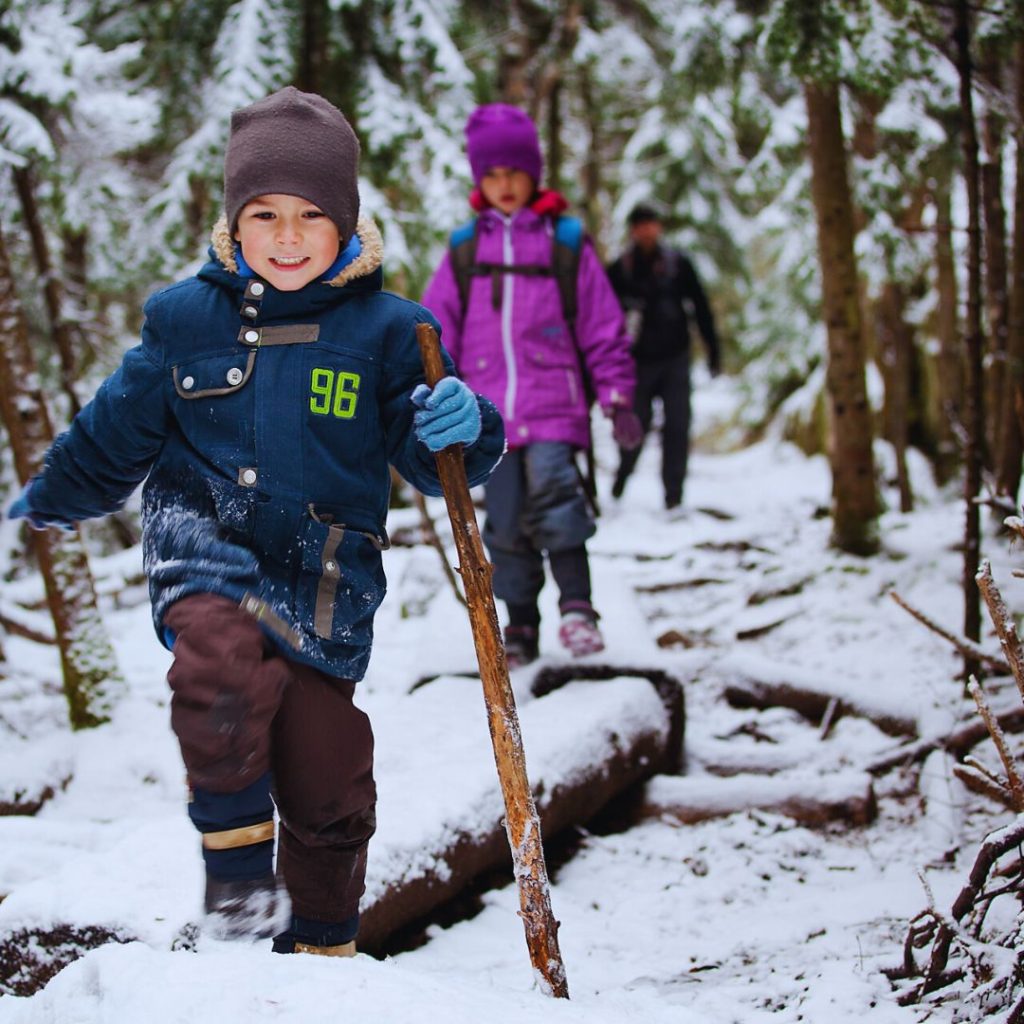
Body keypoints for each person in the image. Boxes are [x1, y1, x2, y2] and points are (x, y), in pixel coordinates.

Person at [6, 87, 505, 955]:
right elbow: (114, 432)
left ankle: (321, 945)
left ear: (347, 225)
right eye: (263, 213)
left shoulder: (391, 333)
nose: (285, 236)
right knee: (222, 667)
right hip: (206, 549)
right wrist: (50, 497)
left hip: (322, 584)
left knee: (329, 778)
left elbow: (434, 468)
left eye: (311, 216)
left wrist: (464, 428)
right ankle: (237, 877)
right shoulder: (183, 322)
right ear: (233, 223)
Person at [422, 103, 641, 669]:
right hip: (489, 417)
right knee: (507, 520)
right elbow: (432, 327)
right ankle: (520, 624)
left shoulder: (564, 242)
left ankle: (578, 608)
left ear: (534, 173)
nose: (505, 185)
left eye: (514, 173)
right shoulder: (467, 250)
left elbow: (601, 325)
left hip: (554, 406)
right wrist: (422, 390)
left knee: (558, 499)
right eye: (492, 175)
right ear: (479, 180)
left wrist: (617, 396)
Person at [607, 203, 722, 511]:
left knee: (677, 427)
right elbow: (604, 318)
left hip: (675, 358)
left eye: (652, 224)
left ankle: (674, 497)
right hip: (638, 363)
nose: (647, 230)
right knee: (635, 426)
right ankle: (621, 479)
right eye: (641, 225)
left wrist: (713, 350)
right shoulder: (621, 268)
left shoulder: (678, 264)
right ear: (633, 230)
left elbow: (700, 307)